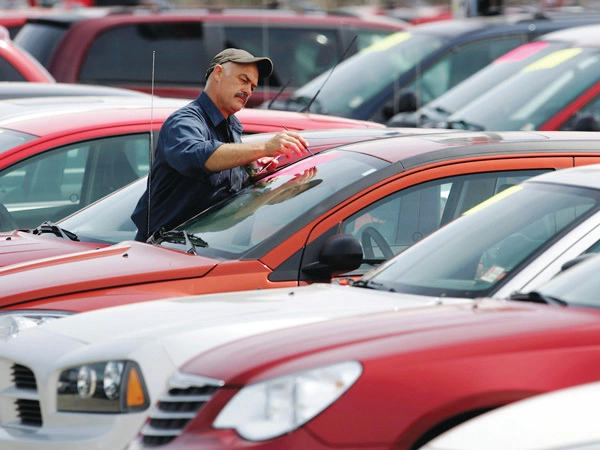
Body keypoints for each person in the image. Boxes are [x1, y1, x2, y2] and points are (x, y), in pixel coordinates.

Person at [131, 48, 309, 242]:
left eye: (253, 86)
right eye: (243, 80)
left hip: (207, 252)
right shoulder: (185, 121)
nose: (248, 91)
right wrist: (264, 148)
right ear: (218, 73)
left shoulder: (232, 126)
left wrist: (252, 171)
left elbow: (224, 194)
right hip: (162, 253)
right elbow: (195, 156)